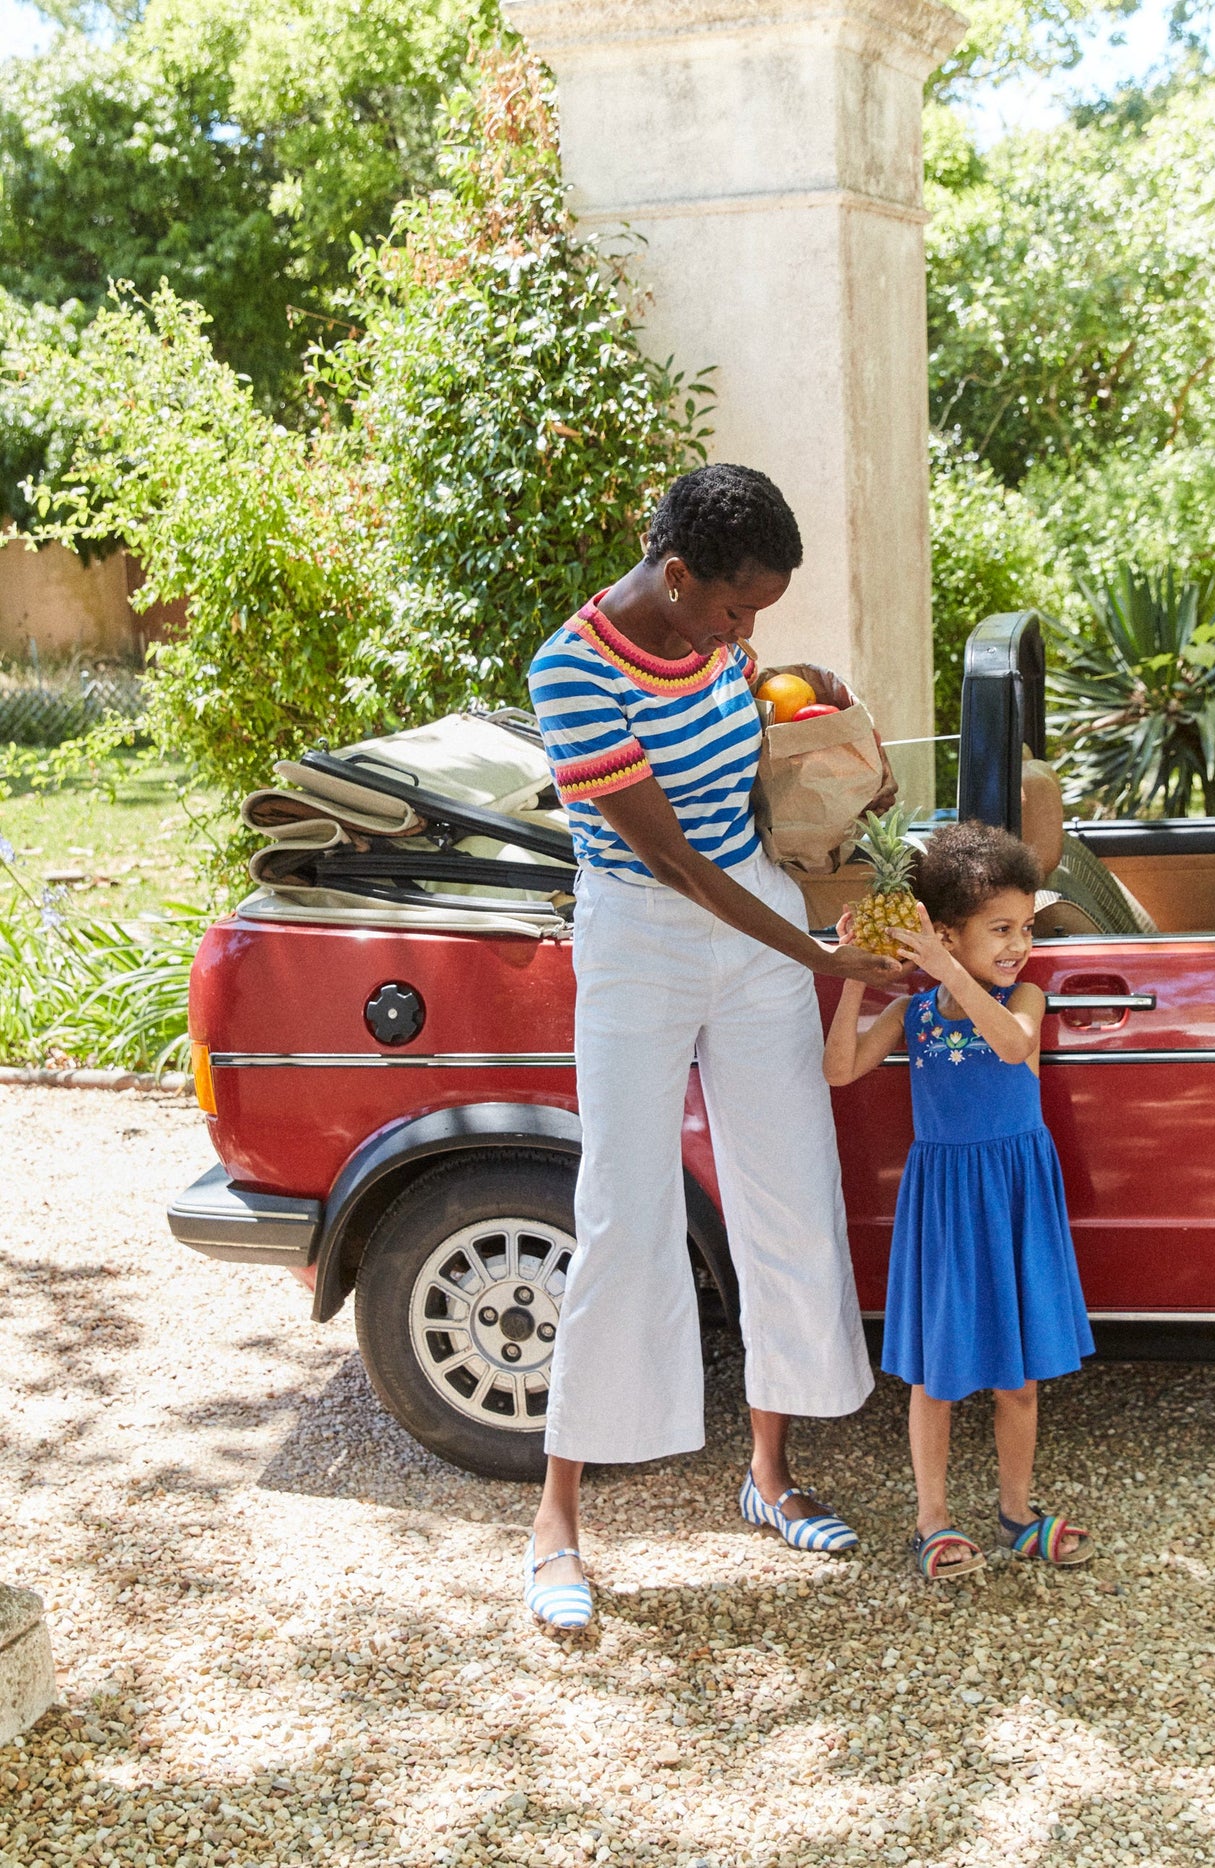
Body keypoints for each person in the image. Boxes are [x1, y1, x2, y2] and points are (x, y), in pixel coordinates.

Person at [522, 463, 900, 1630]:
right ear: (676, 574)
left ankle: (769, 1477)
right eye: (738, 607)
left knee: (786, 1186)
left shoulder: (714, 642)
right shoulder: (572, 670)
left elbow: (743, 739)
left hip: (752, 909)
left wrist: (799, 687)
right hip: (644, 930)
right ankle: (555, 1524)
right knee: (623, 1211)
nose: (746, 630)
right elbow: (675, 858)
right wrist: (821, 960)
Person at [822, 820, 1095, 1581]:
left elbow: (1012, 1045)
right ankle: (931, 1520)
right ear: (945, 932)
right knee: (936, 1376)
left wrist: (948, 964)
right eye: (999, 929)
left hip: (1011, 1191)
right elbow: (839, 1070)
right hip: (945, 1197)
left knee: (1020, 1377)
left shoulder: (1027, 997)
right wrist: (853, 974)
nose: (1017, 944)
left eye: (1024, 928)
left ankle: (1016, 1512)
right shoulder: (911, 1013)